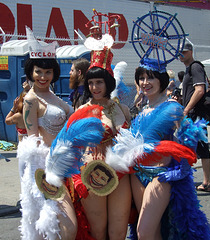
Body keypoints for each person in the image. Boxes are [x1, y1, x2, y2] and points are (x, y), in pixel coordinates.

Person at [105, 58, 210, 239]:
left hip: (161, 176)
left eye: (150, 78)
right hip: (138, 175)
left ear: (161, 80)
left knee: (144, 231)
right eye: (142, 78)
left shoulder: (173, 108)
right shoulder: (143, 109)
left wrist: (182, 169)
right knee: (154, 231)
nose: (145, 83)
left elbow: (190, 136)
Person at [17, 26, 77, 240]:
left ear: (54, 73)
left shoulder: (52, 96)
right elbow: (32, 142)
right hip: (47, 167)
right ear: (31, 72)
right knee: (66, 227)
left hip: (68, 164)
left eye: (48, 72)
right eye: (38, 72)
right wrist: (39, 181)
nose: (43, 77)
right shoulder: (32, 100)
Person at [66, 46, 132, 240]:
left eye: (99, 82)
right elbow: (68, 145)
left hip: (120, 173)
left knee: (119, 231)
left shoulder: (123, 109)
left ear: (108, 83)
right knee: (98, 231)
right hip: (92, 173)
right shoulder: (80, 112)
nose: (95, 87)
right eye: (91, 83)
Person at [179, 42, 210, 192]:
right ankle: (189, 179)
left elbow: (199, 90)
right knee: (188, 146)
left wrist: (186, 109)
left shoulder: (195, 67)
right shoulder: (188, 69)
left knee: (201, 146)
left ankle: (206, 182)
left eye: (184, 52)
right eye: (179, 52)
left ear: (191, 52)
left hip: (196, 114)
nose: (181, 55)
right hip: (192, 114)